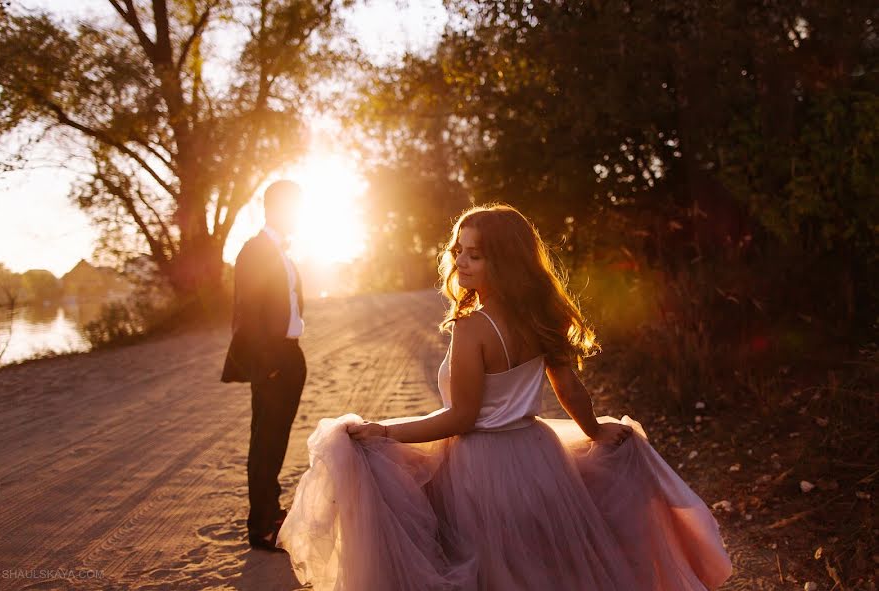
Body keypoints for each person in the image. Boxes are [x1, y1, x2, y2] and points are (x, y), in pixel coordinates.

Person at [279, 204, 732, 589]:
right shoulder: (541, 315)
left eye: (476, 254)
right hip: (539, 458)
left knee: (488, 572)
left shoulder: (473, 327)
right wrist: (594, 431)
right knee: (543, 568)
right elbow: (568, 386)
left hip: (480, 473)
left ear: (506, 261)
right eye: (459, 251)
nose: (462, 262)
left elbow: (461, 418)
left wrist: (385, 431)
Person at [221, 180, 307, 553]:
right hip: (273, 359)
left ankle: (272, 512)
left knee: (277, 441)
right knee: (265, 443)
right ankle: (262, 527)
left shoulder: (282, 252)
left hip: (290, 355)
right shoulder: (255, 251)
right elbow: (247, 312)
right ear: (275, 208)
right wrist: (267, 364)